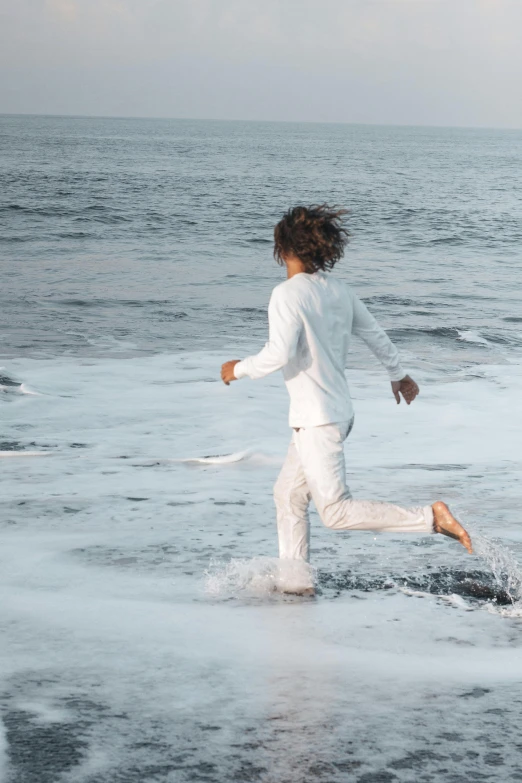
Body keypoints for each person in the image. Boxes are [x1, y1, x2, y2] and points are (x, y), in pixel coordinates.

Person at [221, 205, 472, 595]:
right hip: (337, 414)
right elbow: (375, 334)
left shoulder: (286, 294)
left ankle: (430, 518)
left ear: (281, 247)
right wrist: (398, 374)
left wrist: (237, 369)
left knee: (335, 512)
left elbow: (279, 354)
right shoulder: (339, 291)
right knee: (287, 495)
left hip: (317, 419)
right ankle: (296, 583)